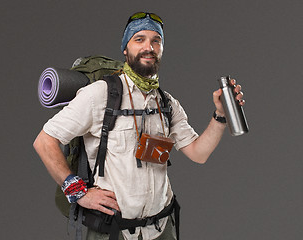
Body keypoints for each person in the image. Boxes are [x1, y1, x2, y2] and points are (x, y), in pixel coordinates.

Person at [33, 12, 245, 240]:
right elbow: (45, 141)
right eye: (139, 39)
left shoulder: (166, 103)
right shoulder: (101, 94)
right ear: (125, 49)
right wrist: (77, 191)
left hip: (162, 228)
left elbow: (198, 153)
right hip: (113, 231)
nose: (149, 47)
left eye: (156, 40)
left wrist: (221, 115)